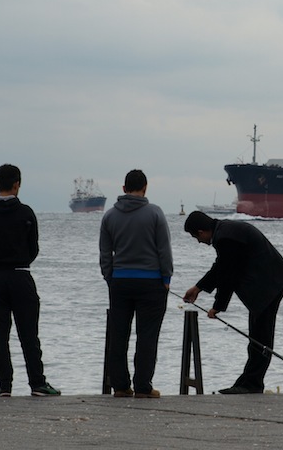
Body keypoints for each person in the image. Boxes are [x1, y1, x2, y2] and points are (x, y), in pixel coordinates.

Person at [0, 164, 60, 397]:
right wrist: (18, 258)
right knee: (28, 334)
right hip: (20, 275)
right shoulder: (25, 213)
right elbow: (33, 249)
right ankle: (37, 383)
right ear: (17, 184)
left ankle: (5, 385)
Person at [183, 211, 283, 394]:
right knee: (257, 335)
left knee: (261, 337)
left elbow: (228, 276)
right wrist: (198, 288)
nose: (198, 241)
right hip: (269, 281)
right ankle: (248, 381)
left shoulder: (225, 238)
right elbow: (221, 267)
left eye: (196, 237)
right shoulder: (225, 232)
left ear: (201, 231)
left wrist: (218, 307)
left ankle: (252, 383)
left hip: (269, 284)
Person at [99, 169, 173, 398]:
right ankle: (143, 386)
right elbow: (164, 250)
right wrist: (166, 278)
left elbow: (105, 254)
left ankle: (120, 386)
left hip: (120, 281)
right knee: (147, 336)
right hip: (151, 282)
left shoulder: (109, 216)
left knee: (118, 335)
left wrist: (110, 278)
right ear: (145, 188)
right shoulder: (155, 213)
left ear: (123, 188)